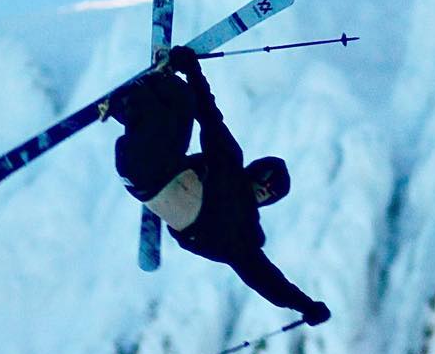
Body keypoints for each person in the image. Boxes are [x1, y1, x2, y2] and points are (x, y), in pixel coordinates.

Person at [110, 45, 330, 327]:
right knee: (182, 100)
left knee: (167, 111)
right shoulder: (228, 164)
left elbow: (266, 280)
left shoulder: (241, 237)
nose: (265, 190)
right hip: (145, 165)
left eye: (271, 193)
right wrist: (192, 70)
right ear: (255, 171)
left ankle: (134, 100)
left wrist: (305, 305)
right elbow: (209, 115)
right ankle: (143, 95)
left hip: (144, 173)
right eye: (266, 180)